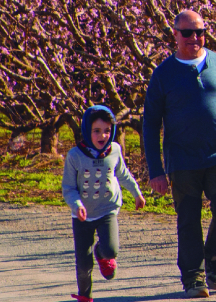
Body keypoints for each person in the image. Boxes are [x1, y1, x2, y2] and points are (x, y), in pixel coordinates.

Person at [143, 10, 216, 299]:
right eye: (188, 32)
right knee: (188, 219)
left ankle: (214, 259)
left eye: (200, 32)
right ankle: (192, 276)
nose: (195, 38)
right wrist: (156, 170)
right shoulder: (163, 73)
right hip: (183, 159)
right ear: (175, 34)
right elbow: (150, 123)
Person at [62, 105, 146, 302]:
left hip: (107, 209)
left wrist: (136, 193)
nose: (103, 135)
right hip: (82, 214)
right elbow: (68, 188)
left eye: (107, 130)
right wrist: (76, 205)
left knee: (111, 250)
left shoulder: (114, 150)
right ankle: (85, 296)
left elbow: (122, 174)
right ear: (86, 131)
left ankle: (102, 253)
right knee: (83, 263)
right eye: (97, 131)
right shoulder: (75, 156)